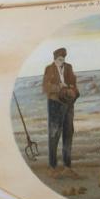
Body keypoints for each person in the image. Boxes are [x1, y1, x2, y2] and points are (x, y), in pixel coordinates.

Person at [42, 47, 79, 177]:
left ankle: (67, 167)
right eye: (59, 59)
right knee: (54, 135)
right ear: (55, 59)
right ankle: (52, 167)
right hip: (54, 104)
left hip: (68, 103)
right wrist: (59, 87)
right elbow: (45, 87)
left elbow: (74, 83)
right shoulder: (49, 68)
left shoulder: (68, 67)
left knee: (68, 134)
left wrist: (73, 92)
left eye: (63, 59)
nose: (61, 61)